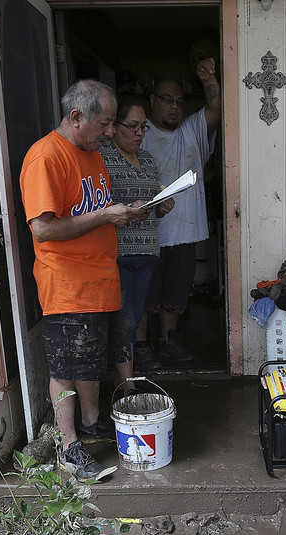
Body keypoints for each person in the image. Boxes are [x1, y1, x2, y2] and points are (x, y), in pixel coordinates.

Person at [20, 79, 145, 479]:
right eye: (106, 123)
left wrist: (127, 212)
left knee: (90, 363)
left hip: (101, 280)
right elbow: (43, 228)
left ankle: (92, 425)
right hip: (68, 285)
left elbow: (92, 209)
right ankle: (68, 445)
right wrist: (106, 216)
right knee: (65, 368)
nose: (111, 132)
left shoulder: (90, 153)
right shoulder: (46, 157)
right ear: (77, 117)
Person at [138, 57, 221, 365]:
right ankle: (142, 346)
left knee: (176, 292)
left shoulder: (191, 130)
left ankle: (169, 340)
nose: (174, 107)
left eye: (179, 102)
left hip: (185, 230)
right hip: (147, 232)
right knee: (146, 293)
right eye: (167, 100)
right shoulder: (138, 132)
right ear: (152, 101)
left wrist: (209, 80)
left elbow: (215, 108)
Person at [99, 94, 175, 388]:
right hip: (117, 252)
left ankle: (126, 382)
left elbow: (152, 206)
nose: (139, 134)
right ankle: (126, 386)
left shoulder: (147, 159)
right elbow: (97, 205)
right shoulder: (102, 157)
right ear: (114, 126)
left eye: (144, 127)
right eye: (132, 126)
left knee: (133, 317)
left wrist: (161, 206)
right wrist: (129, 210)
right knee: (123, 321)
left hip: (146, 251)